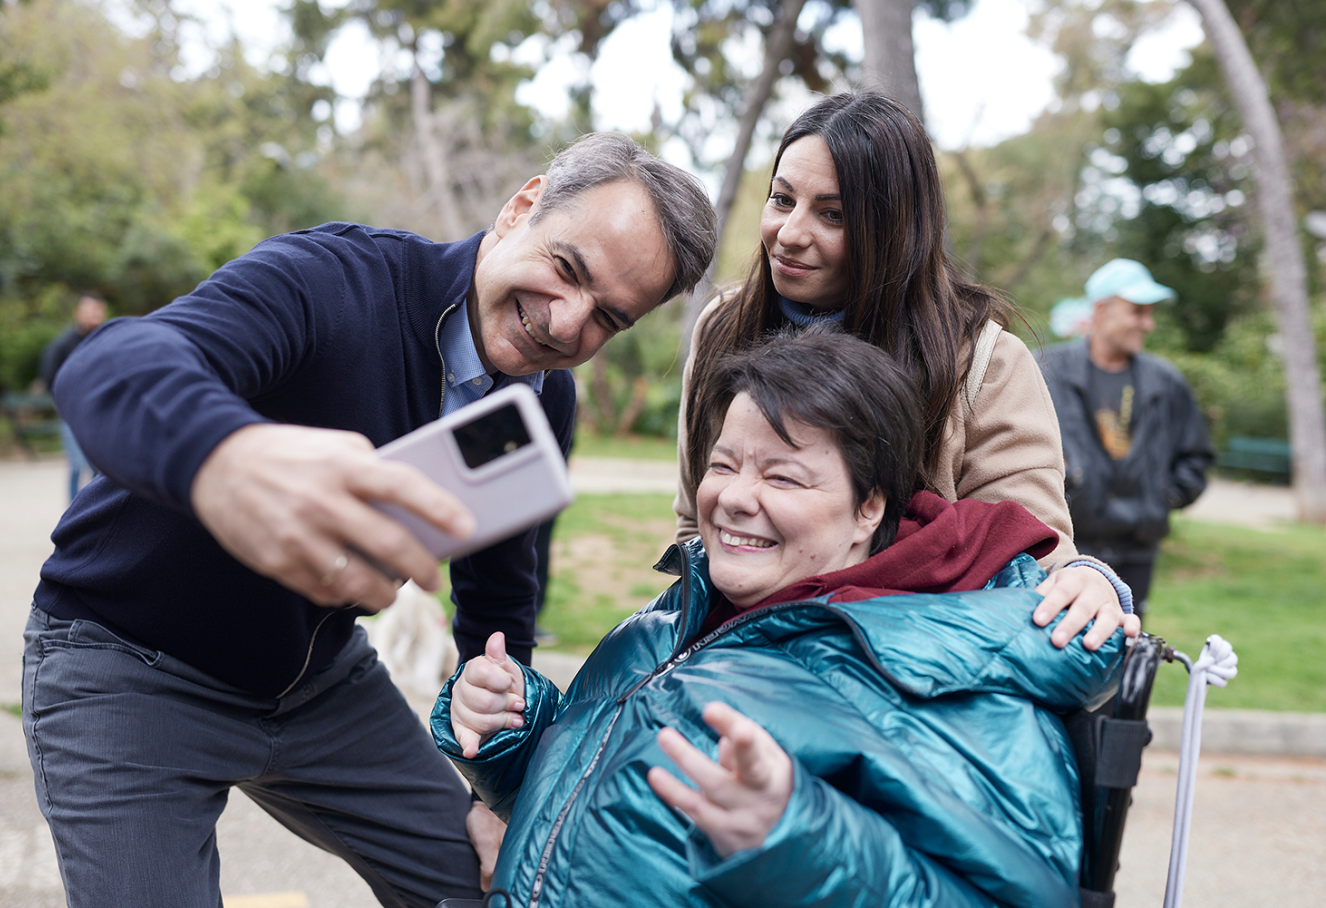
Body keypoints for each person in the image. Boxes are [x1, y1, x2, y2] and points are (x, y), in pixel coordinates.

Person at [21, 132, 718, 908]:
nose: (565, 323)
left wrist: (498, 775)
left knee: (503, 883)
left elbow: (497, 587)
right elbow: (110, 364)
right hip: (126, 664)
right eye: (567, 268)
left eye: (608, 319)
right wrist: (225, 457)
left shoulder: (540, 402)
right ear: (522, 206)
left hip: (317, 686)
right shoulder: (335, 281)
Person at [434, 327, 1125, 908]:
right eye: (723, 464)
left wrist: (796, 837)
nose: (735, 498)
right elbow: (603, 809)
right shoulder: (667, 623)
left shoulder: (947, 681)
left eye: (783, 477)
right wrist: (519, 732)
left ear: (869, 508)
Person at [673, 89, 1136, 652]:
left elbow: (1034, 560)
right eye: (781, 199)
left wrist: (1091, 579)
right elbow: (694, 527)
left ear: (895, 228)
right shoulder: (724, 325)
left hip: (899, 673)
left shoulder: (982, 363)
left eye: (833, 214)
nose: (791, 233)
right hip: (731, 654)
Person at [1035, 258, 1214, 616]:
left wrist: (1163, 497)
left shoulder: (1166, 381)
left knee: (1125, 653)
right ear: (1102, 310)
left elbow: (1196, 454)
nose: (1148, 324)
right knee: (1058, 649)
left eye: (1150, 313)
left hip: (1136, 550)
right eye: (1138, 312)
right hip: (1064, 545)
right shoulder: (1046, 369)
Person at [39, 292, 108, 499]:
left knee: (100, 468)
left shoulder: (106, 339)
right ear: (78, 313)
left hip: (100, 414)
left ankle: (95, 514)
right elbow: (49, 378)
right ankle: (72, 518)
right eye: (89, 311)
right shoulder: (62, 345)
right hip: (72, 414)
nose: (93, 316)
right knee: (78, 466)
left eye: (98, 311)